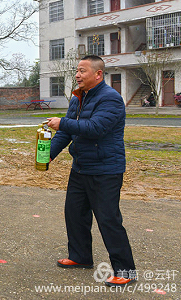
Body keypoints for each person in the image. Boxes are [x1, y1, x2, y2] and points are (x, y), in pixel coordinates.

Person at [47, 55, 136, 287]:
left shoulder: (111, 99)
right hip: (81, 168)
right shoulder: (77, 99)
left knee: (108, 220)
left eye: (82, 71)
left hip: (105, 170)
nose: (77, 75)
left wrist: (62, 123)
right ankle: (80, 256)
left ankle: (126, 271)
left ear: (98, 74)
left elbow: (95, 128)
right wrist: (48, 155)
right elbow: (66, 133)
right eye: (76, 71)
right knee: (75, 214)